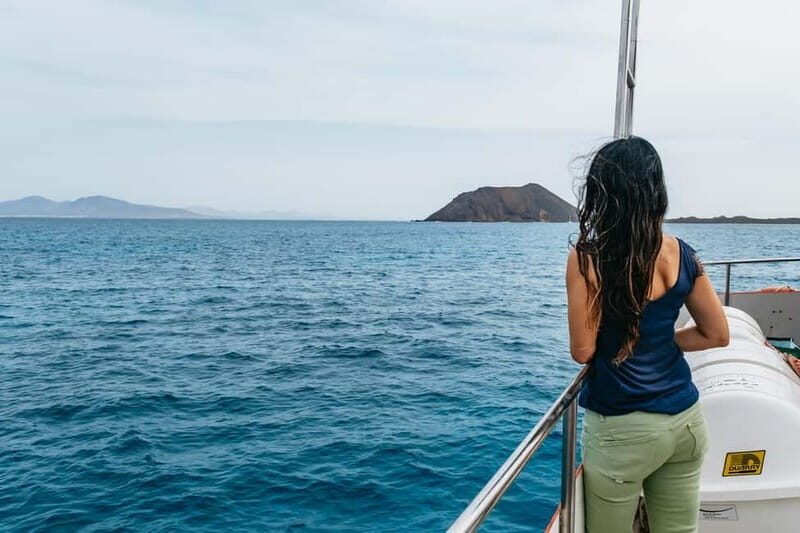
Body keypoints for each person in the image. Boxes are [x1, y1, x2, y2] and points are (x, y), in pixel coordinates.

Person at [565, 136, 730, 533]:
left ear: (601, 193)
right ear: (656, 192)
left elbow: (583, 351)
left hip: (623, 429)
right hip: (686, 423)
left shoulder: (587, 258)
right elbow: (717, 334)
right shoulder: (683, 253)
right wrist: (667, 340)